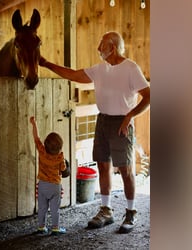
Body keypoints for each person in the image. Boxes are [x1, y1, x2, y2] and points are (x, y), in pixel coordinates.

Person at [39, 31, 150, 234]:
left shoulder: (131, 68)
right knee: (103, 165)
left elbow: (149, 96)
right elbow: (73, 74)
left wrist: (129, 116)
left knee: (125, 170)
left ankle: (131, 211)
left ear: (112, 47)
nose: (98, 49)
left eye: (101, 45)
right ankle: (106, 210)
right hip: (103, 120)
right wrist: (46, 63)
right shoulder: (100, 69)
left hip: (121, 123)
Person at [29, 116, 67, 236]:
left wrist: (34, 124)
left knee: (42, 208)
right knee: (55, 209)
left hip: (42, 185)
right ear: (60, 147)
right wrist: (65, 165)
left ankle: (41, 227)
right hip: (55, 186)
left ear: (45, 145)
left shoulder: (42, 152)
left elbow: (36, 138)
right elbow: (64, 170)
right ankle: (55, 228)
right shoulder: (60, 157)